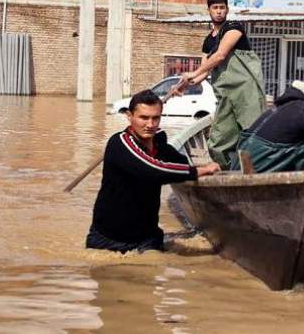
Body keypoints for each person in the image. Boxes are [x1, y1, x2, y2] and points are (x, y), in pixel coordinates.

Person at [86, 89, 220, 253]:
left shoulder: (158, 143)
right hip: (110, 241)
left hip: (148, 238)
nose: (150, 125)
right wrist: (198, 172)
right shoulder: (119, 143)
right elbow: (153, 170)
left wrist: (197, 167)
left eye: (155, 118)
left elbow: (180, 162)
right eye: (144, 118)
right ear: (130, 116)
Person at [174, 0, 266, 169]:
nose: (218, 11)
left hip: (246, 92)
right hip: (225, 96)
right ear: (208, 10)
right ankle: (230, 173)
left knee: (255, 136)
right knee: (217, 143)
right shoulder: (208, 41)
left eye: (222, 8)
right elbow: (202, 74)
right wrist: (185, 84)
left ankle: (257, 173)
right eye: (215, 8)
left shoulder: (233, 27)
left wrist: (194, 72)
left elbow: (220, 55)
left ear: (227, 10)